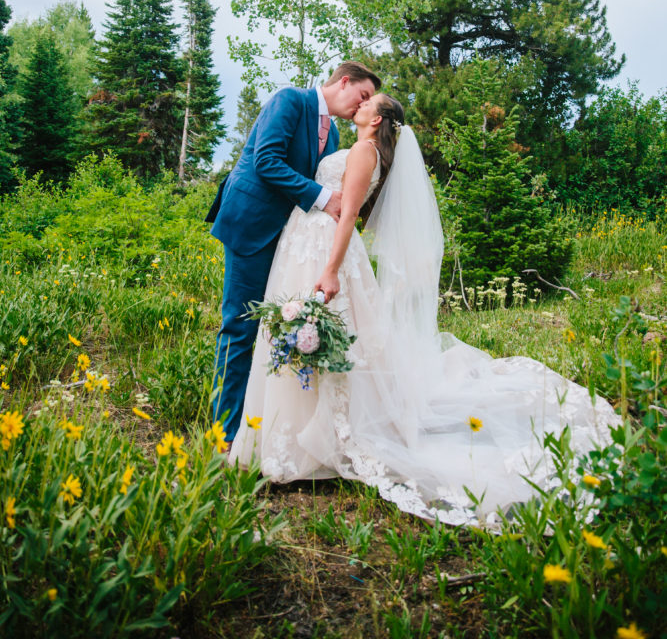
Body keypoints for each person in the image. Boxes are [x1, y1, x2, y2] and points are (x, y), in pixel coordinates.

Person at [230, 94, 619, 527]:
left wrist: (331, 269)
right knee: (322, 337)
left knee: (327, 336)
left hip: (324, 247)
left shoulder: (363, 150)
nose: (358, 104)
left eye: (366, 102)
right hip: (306, 240)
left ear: (375, 118)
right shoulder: (362, 147)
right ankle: (295, 436)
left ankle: (311, 441)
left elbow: (349, 215)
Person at [207, 60, 381, 445]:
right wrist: (324, 198)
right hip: (251, 226)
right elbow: (266, 162)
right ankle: (223, 437)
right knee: (239, 327)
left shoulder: (333, 136)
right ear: (344, 82)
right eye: (363, 95)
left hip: (290, 245)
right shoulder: (290, 100)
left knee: (277, 329)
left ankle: (268, 430)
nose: (363, 104)